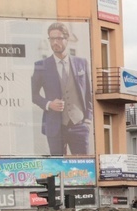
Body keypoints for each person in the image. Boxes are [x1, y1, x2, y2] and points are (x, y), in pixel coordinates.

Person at [31, 22, 93, 155]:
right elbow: (33, 95)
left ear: (67, 38)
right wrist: (49, 104)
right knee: (58, 168)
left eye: (58, 38)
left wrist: (87, 120)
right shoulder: (41, 66)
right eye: (52, 39)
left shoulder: (81, 63)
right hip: (55, 126)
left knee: (83, 167)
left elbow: (88, 93)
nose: (55, 42)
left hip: (79, 125)